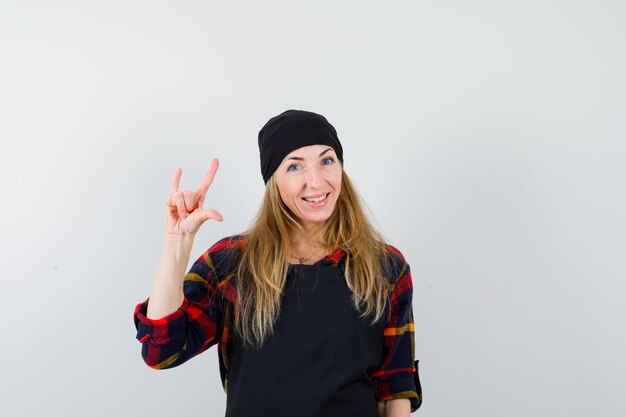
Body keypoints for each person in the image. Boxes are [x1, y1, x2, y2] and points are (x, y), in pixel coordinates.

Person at [133, 110, 422, 417]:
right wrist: (177, 244)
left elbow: (394, 385)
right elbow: (161, 351)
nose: (316, 181)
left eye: (327, 161)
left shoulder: (386, 266)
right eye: (294, 166)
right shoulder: (233, 262)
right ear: (274, 181)